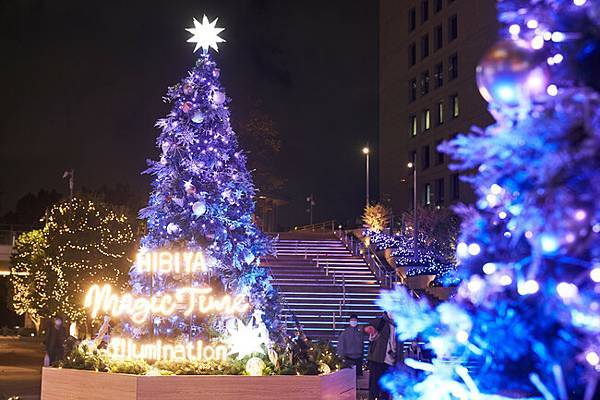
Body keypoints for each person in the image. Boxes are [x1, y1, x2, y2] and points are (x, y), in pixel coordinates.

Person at [366, 311, 397, 400]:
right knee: (374, 386)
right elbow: (369, 332)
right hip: (377, 359)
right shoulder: (381, 322)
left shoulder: (398, 325)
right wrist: (371, 332)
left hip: (390, 360)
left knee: (386, 388)